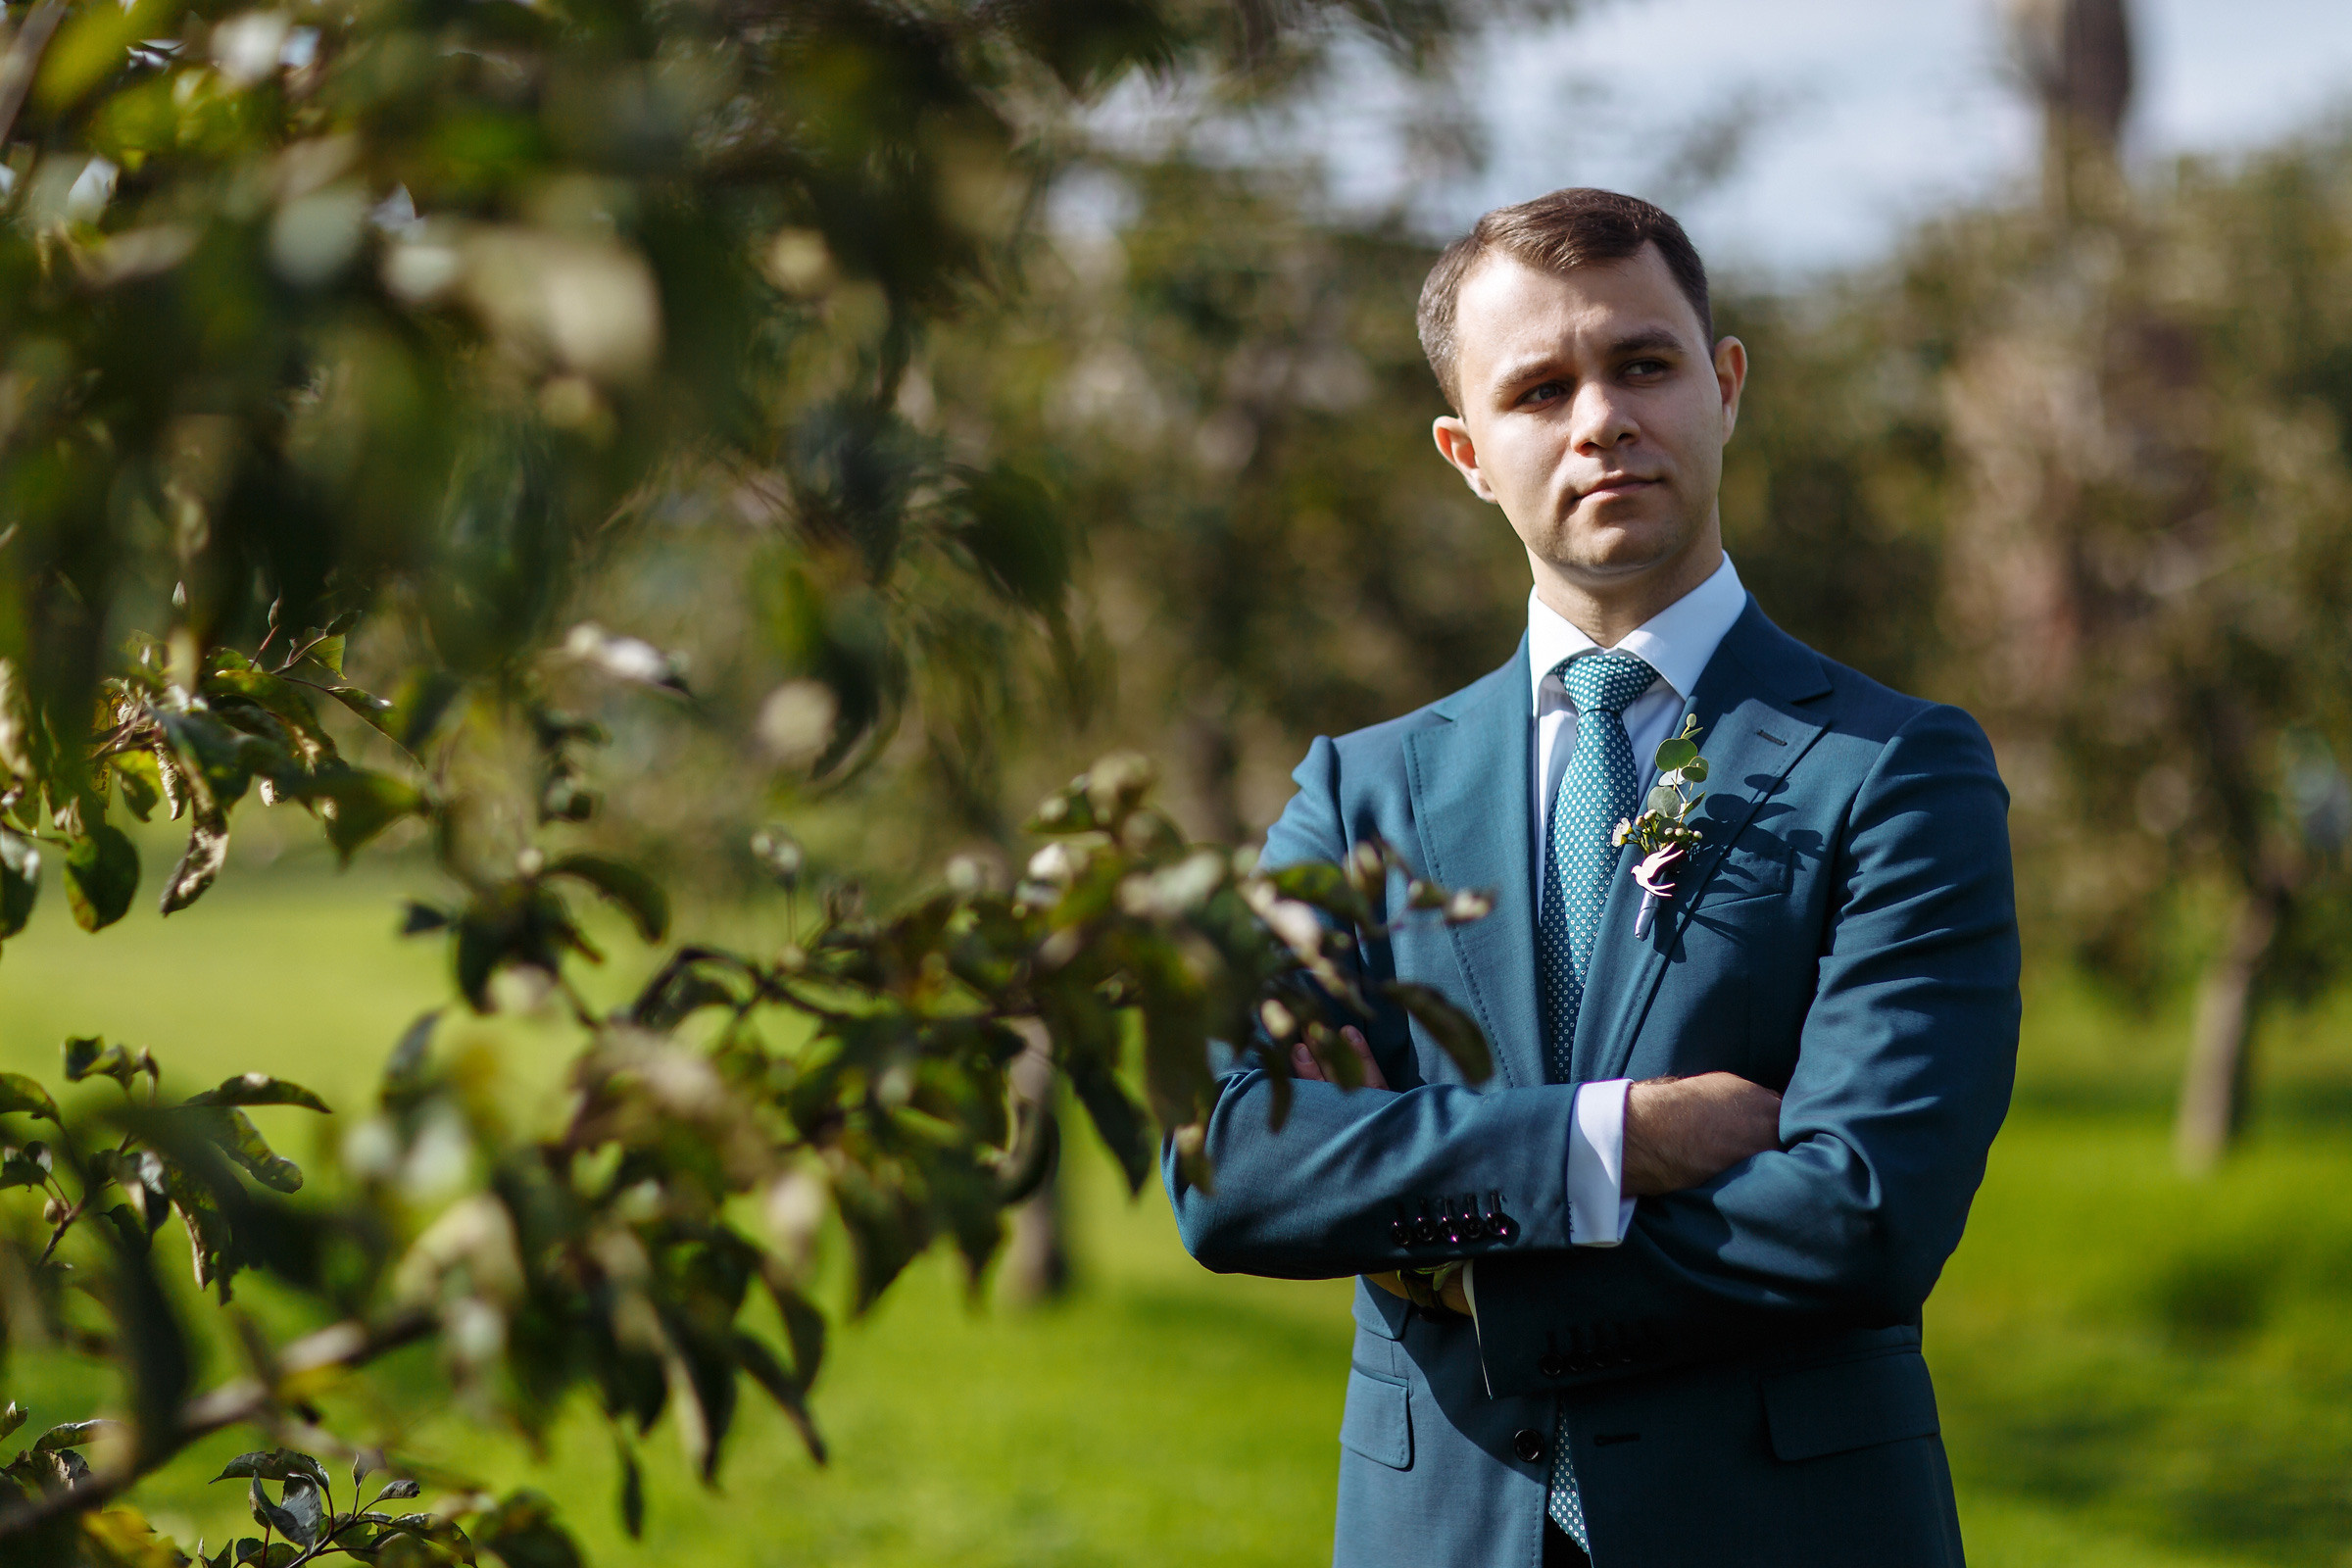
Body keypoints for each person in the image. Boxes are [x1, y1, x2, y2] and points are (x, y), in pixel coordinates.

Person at [1164, 188, 2020, 1568]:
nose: (1600, 419)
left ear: (1724, 385)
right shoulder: (1358, 793)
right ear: (1466, 452)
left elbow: (1860, 1211)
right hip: (1435, 1530)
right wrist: (1617, 1141)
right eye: (1538, 389)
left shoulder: (1894, 769)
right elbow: (1240, 1166)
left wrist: (1473, 1274)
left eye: (1642, 365)